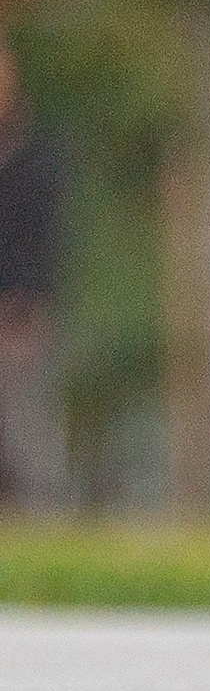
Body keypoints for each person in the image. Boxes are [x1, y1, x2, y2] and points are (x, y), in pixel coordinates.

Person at [0, 34, 66, 505]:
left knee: (26, 421)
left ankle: (48, 512)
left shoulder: (38, 158)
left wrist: (29, 302)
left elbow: (46, 241)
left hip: (20, 313)